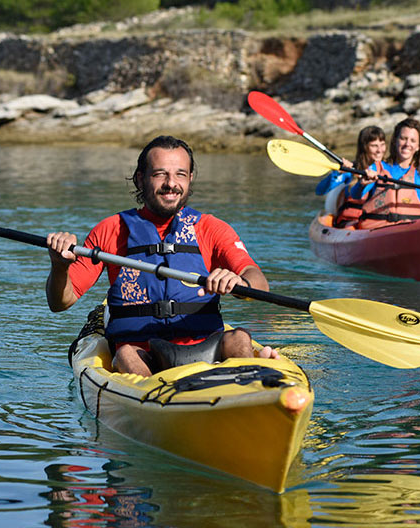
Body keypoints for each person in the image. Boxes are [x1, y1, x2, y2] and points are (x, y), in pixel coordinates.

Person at [45, 135, 278, 377]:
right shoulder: (110, 230)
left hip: (206, 347)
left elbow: (259, 283)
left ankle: (251, 386)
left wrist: (239, 284)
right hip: (142, 352)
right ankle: (154, 401)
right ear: (140, 179)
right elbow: (60, 302)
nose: (171, 183)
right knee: (125, 353)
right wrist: (59, 266)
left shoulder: (211, 228)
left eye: (180, 174)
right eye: (159, 174)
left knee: (239, 338)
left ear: (189, 179)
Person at [316, 125, 388, 227]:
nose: (380, 150)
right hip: (351, 224)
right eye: (374, 146)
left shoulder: (388, 170)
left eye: (382, 144)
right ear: (364, 147)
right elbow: (320, 191)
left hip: (378, 222)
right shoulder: (350, 170)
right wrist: (338, 172)